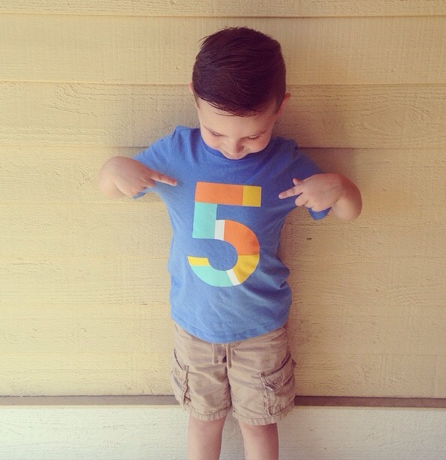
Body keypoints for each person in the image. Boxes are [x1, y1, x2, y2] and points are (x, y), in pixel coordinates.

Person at [99, 27, 362, 460]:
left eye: (253, 136)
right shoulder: (176, 153)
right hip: (194, 327)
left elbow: (349, 211)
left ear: (280, 108)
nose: (234, 148)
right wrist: (115, 168)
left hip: (261, 330)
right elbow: (110, 187)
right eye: (216, 133)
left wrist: (340, 187)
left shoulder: (284, 164)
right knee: (203, 421)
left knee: (259, 426)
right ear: (194, 98)